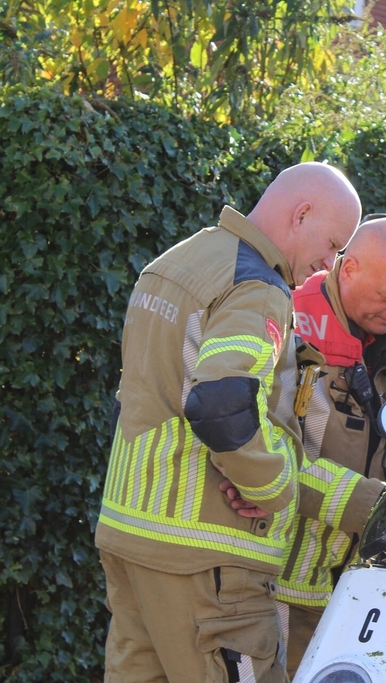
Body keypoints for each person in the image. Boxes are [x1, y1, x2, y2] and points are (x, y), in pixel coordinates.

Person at [95, 162, 362, 682]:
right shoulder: (257, 286)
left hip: (131, 532)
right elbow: (222, 401)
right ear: (301, 214)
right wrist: (272, 487)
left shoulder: (174, 263)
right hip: (207, 557)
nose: (328, 265)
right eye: (332, 244)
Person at [274, 218, 386, 675]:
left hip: (367, 589)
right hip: (283, 582)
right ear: (348, 269)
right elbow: (271, 453)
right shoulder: (290, 322)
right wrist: (374, 509)